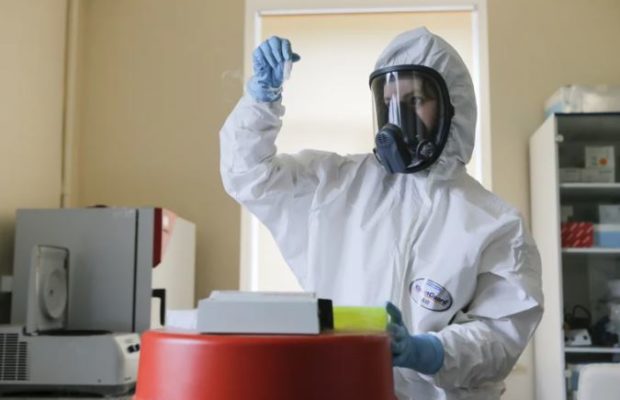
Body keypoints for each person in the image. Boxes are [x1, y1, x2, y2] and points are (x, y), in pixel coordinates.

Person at [219, 27, 543, 400]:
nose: (397, 117)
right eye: (388, 102)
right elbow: (249, 176)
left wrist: (429, 351)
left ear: (452, 107)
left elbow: (501, 336)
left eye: (414, 100)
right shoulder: (339, 185)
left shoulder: (495, 224)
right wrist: (261, 100)